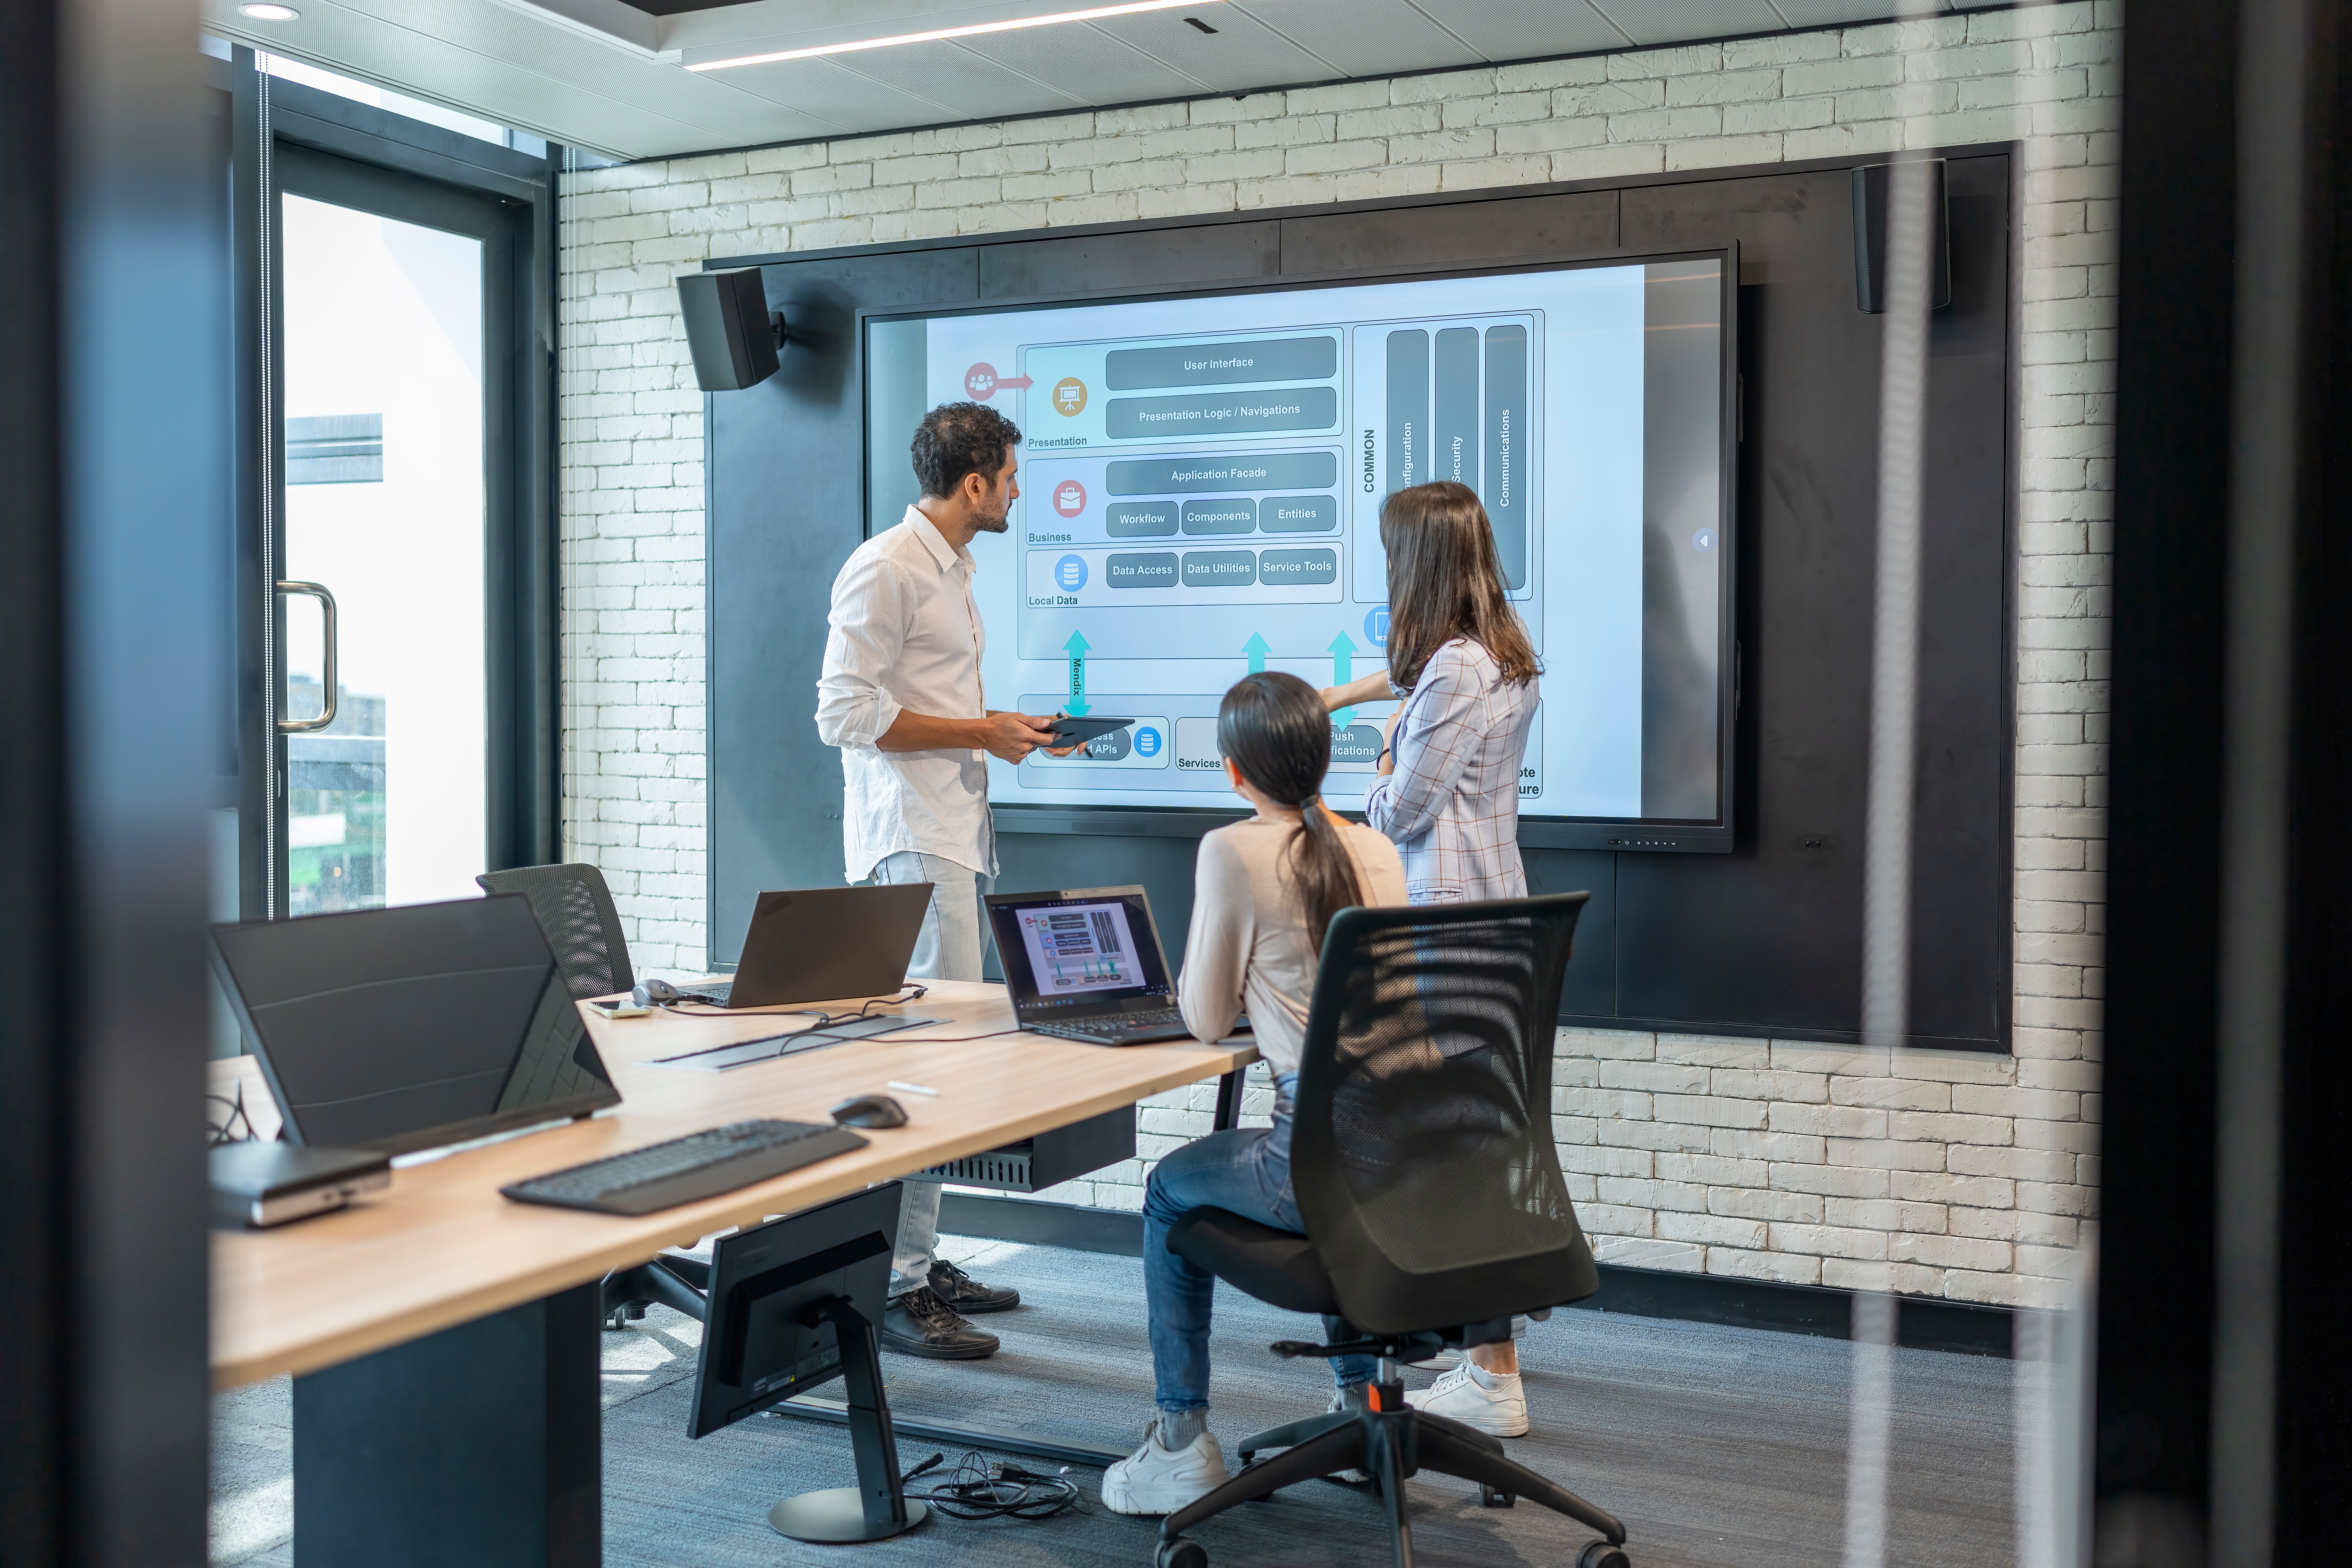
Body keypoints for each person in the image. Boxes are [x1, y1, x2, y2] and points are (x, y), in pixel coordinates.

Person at [1100, 672, 1408, 1517]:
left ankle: (1178, 1441)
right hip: (1409, 1158)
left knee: (1168, 1189)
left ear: (1235, 771)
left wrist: (1246, 991)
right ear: (1321, 756)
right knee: (1333, 1182)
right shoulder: (1376, 849)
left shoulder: (1233, 850)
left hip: (1307, 1163)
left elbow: (1202, 1020)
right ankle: (1358, 1407)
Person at [815, 400, 1061, 1360]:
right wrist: (977, 732)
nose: (1014, 492)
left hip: (954, 833)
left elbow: (926, 701)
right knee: (924, 1065)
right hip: (911, 843)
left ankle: (922, 1257)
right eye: (1008, 477)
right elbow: (843, 713)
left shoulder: (948, 570)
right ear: (973, 485)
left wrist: (997, 728)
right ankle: (899, 1284)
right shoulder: (885, 566)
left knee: (949, 1061)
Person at [1319, 478, 1542, 1438]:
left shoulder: (1455, 668)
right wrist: (1336, 694)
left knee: (1447, 1146)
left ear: (1418, 562)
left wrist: (1368, 774)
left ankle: (1492, 1372)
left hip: (1444, 923)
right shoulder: (1501, 652)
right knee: (1466, 1135)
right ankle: (1471, 1349)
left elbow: (1404, 812)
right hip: (1493, 916)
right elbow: (1417, 688)